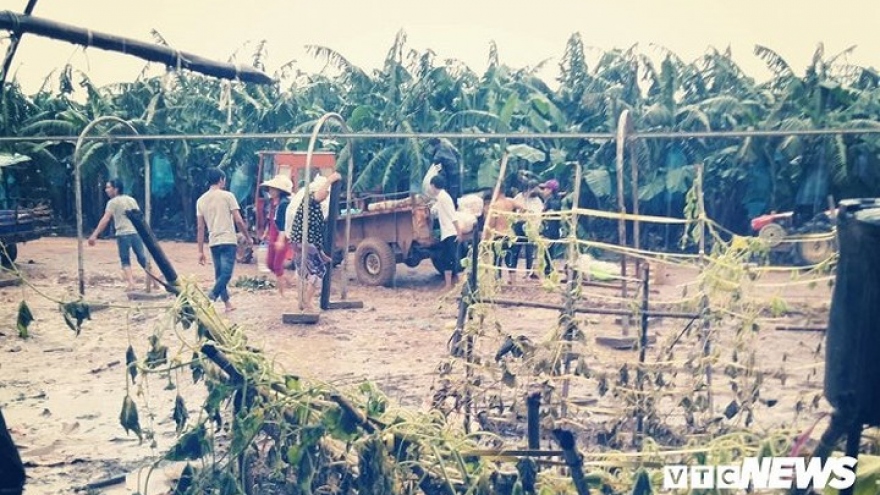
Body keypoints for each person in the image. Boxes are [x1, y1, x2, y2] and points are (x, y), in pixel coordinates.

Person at [282, 171, 343, 312]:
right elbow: (320, 195)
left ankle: (304, 300)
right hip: (303, 243)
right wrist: (330, 180)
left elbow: (316, 234)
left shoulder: (315, 209)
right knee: (318, 272)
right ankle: (306, 301)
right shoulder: (310, 200)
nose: (326, 196)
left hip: (305, 243)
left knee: (308, 272)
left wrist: (321, 254)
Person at [88, 178, 161, 291]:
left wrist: (95, 234)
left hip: (123, 233)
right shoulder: (131, 200)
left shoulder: (112, 203)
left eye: (108, 187)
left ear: (115, 189)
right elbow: (138, 216)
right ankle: (156, 281)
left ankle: (131, 284)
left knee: (125, 260)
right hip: (135, 232)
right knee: (142, 258)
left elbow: (106, 219)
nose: (106, 190)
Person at [196, 168, 251, 312]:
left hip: (213, 241)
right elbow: (238, 220)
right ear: (221, 179)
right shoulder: (228, 196)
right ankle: (211, 297)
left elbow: (200, 227)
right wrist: (247, 236)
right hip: (228, 240)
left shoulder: (201, 200)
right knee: (226, 274)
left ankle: (227, 304)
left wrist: (200, 251)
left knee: (220, 274)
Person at [429, 174, 464, 290]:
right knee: (446, 259)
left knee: (454, 259)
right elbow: (434, 210)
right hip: (446, 233)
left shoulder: (444, 198)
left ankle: (460, 285)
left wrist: (459, 232)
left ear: (434, 186)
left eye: (431, 186)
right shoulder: (441, 198)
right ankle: (449, 285)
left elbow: (452, 215)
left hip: (451, 232)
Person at [260, 175, 293, 295]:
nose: (270, 191)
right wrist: (266, 233)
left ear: (280, 190)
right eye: (270, 189)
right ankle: (286, 281)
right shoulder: (273, 203)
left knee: (277, 265)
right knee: (269, 264)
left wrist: (280, 239)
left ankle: (282, 293)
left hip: (281, 235)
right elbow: (270, 219)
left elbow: (284, 223)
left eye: (273, 189)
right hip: (273, 234)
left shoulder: (284, 204)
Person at [485, 186, 520, 283]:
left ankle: (498, 282)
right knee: (511, 259)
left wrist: (486, 239)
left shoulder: (495, 205)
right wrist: (517, 217)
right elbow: (524, 207)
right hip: (511, 234)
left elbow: (491, 224)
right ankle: (513, 282)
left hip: (499, 235)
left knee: (497, 260)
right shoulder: (510, 201)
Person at [509, 185, 544, 279]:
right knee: (515, 248)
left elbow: (538, 214)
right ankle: (512, 274)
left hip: (531, 226)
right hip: (519, 224)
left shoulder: (537, 200)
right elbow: (513, 210)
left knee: (529, 250)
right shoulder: (518, 197)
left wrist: (536, 227)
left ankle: (528, 273)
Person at [538, 179, 563, 276]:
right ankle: (548, 271)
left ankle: (548, 272)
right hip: (553, 230)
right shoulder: (555, 200)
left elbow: (549, 216)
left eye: (545, 188)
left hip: (549, 230)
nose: (543, 191)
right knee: (549, 252)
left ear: (550, 190)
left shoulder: (552, 201)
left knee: (547, 253)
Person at [427, 138, 462, 206]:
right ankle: (455, 205)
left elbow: (441, 173)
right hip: (456, 170)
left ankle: (451, 207)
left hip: (449, 175)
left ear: (433, 146)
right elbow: (458, 154)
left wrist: (442, 185)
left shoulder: (437, 157)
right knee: (455, 190)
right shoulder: (447, 145)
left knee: (450, 193)